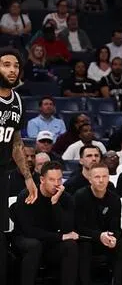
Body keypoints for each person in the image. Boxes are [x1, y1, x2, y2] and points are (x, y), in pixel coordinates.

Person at [0, 48, 39, 285]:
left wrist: (27, 177)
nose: (12, 70)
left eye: (15, 66)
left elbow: (16, 142)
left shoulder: (17, 101)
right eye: (6, 64)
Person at [11, 160, 78, 285]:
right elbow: (28, 230)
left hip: (50, 242)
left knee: (70, 245)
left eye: (59, 180)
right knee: (34, 245)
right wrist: (61, 236)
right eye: (52, 180)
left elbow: (67, 228)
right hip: (24, 239)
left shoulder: (66, 198)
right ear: (42, 179)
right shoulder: (28, 194)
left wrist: (55, 203)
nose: (57, 184)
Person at [74, 163, 122, 285]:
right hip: (87, 238)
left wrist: (113, 237)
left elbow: (116, 227)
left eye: (104, 176)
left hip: (106, 238)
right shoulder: (80, 196)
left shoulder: (114, 199)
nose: (101, 180)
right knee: (84, 247)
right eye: (97, 177)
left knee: (121, 245)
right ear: (90, 179)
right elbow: (78, 227)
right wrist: (99, 235)